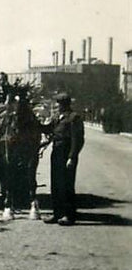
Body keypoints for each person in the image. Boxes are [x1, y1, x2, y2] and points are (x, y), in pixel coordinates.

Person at [41, 92, 85, 225]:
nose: (56, 106)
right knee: (56, 184)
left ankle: (69, 215)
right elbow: (48, 130)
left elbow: (77, 140)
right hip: (56, 152)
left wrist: (72, 157)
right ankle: (57, 214)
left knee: (67, 185)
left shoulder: (73, 118)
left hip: (66, 154)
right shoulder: (57, 117)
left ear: (64, 104)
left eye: (58, 103)